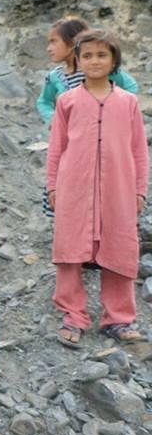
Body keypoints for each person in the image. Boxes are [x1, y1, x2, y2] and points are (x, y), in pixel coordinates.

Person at [48, 29, 149, 347]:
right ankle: (73, 315)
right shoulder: (67, 101)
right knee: (70, 250)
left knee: (120, 246)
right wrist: (52, 186)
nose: (94, 61)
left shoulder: (128, 103)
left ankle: (118, 319)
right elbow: (56, 148)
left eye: (102, 55)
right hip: (73, 186)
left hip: (118, 189)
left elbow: (138, 151)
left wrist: (139, 190)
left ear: (114, 60)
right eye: (87, 55)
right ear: (77, 60)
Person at [35, 16, 138, 218]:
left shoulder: (99, 71)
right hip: (72, 145)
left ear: (73, 43)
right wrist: (55, 120)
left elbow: (130, 87)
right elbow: (43, 101)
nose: (49, 48)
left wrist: (115, 113)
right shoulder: (55, 77)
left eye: (54, 41)